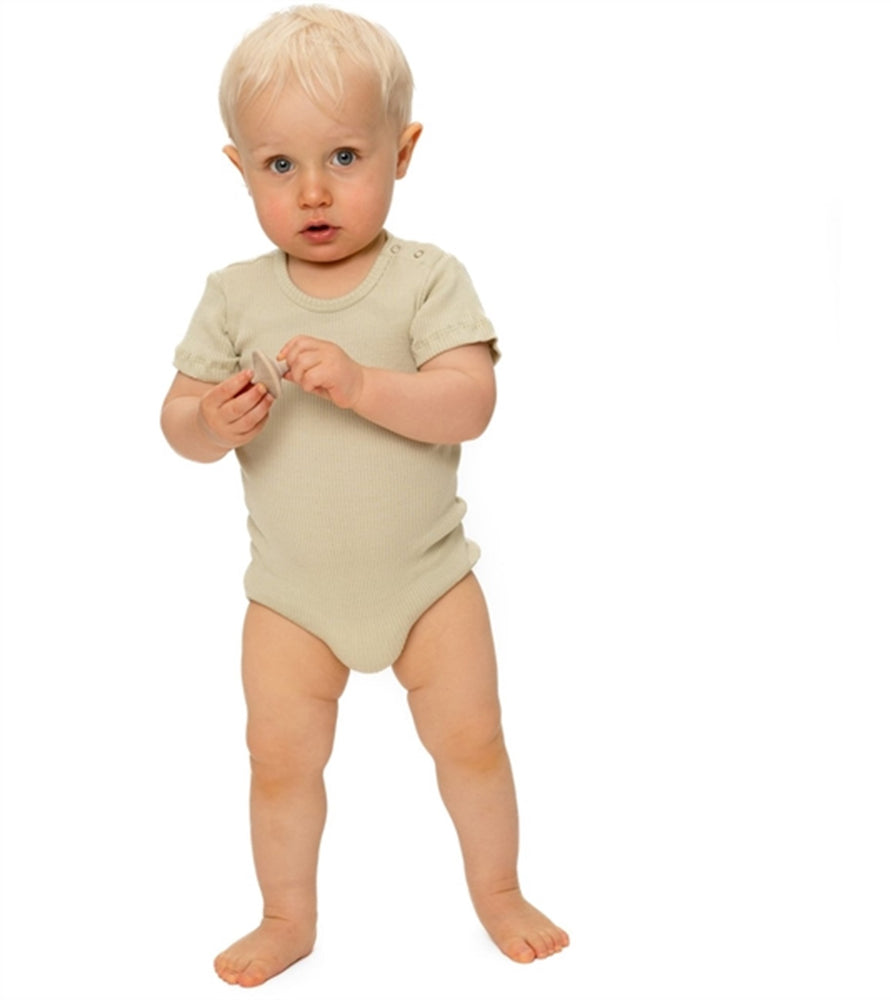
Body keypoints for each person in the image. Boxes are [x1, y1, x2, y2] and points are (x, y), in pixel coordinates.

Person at [160, 5, 568, 988]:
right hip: (291, 597)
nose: (313, 191)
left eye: (344, 156)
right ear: (240, 170)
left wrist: (360, 383)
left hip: (429, 584)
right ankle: (285, 916)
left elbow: (470, 403)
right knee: (279, 761)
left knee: (472, 745)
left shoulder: (425, 280)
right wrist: (212, 419)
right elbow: (176, 426)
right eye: (280, 165)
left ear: (403, 151)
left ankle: (500, 892)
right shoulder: (235, 295)